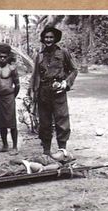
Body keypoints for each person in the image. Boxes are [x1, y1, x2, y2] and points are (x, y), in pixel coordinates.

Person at [28, 26, 78, 161]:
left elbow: (74, 70)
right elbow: (35, 75)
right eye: (46, 37)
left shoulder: (64, 53)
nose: (48, 40)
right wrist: (33, 92)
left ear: (55, 38)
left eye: (51, 37)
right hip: (43, 91)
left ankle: (62, 149)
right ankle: (46, 151)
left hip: (58, 91)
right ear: (43, 39)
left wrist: (65, 83)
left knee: (62, 119)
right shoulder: (39, 55)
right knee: (44, 123)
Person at [0, 43, 20, 155]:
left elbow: (17, 85)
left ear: (8, 57)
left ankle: (15, 146)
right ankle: (5, 145)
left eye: (4, 56)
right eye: (0, 56)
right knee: (1, 122)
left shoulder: (12, 69)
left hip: (9, 98)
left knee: (11, 123)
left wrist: (12, 96)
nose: (2, 59)